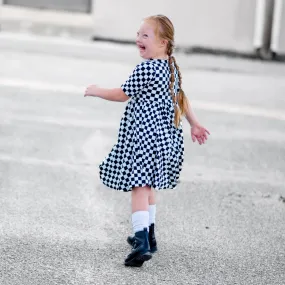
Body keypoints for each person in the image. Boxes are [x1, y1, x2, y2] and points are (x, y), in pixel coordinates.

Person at [84, 14, 210, 267]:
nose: (138, 39)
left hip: (145, 138)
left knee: (139, 187)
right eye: (138, 34)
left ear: (163, 42)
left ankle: (141, 241)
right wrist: (194, 123)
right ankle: (149, 235)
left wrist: (96, 90)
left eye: (145, 35)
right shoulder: (170, 67)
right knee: (149, 186)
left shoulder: (146, 68)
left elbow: (122, 95)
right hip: (164, 140)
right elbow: (181, 99)